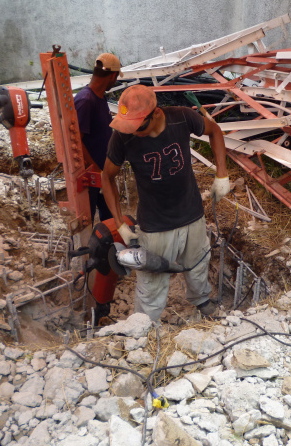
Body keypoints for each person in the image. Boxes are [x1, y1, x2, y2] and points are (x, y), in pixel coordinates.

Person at [101, 84, 230, 321]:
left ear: (156, 114)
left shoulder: (182, 117)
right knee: (151, 280)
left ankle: (201, 301)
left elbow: (215, 131)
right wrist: (119, 223)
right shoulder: (122, 137)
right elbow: (107, 177)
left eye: (138, 126)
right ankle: (145, 326)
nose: (134, 132)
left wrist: (221, 173)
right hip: (155, 224)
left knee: (198, 264)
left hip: (192, 213)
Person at [74, 53, 122, 223]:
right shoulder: (86, 100)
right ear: (112, 76)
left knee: (110, 219)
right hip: (90, 175)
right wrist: (97, 173)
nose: (115, 81)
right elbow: (76, 141)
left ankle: (109, 249)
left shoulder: (100, 98)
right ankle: (85, 249)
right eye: (116, 78)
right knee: (85, 222)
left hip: (103, 173)